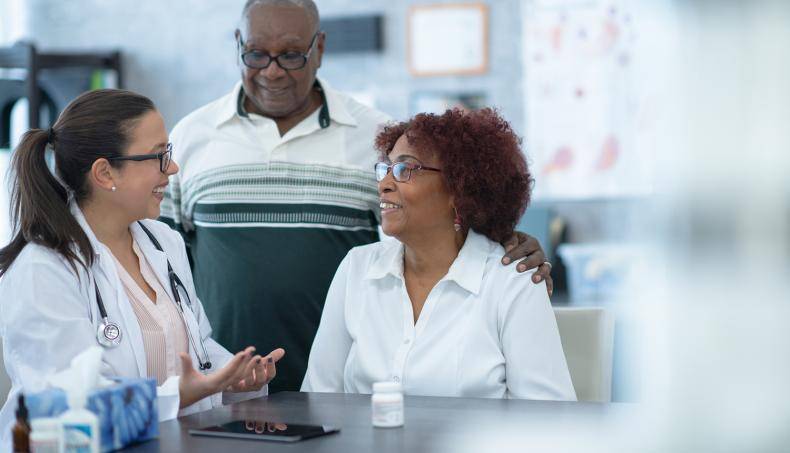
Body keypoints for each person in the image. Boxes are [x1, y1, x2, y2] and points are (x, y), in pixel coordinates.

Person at [161, 0, 553, 393]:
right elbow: (157, 260)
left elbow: (442, 221)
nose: (273, 70)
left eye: (292, 55)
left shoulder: (372, 135)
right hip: (219, 384)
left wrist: (509, 242)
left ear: (320, 48)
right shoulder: (190, 137)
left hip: (332, 391)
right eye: (257, 54)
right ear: (238, 43)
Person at [0, 89, 285, 446]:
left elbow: (195, 350)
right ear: (104, 173)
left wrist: (233, 377)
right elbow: (71, 403)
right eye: (159, 156)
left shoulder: (163, 242)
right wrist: (180, 394)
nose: (174, 168)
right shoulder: (42, 270)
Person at [302, 109, 575, 400]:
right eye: (386, 168)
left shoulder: (513, 281)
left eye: (405, 169)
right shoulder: (356, 268)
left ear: (459, 190)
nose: (383, 184)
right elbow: (320, 399)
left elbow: (549, 419)